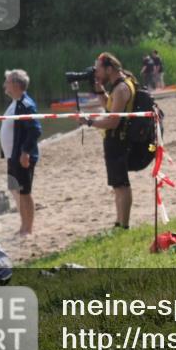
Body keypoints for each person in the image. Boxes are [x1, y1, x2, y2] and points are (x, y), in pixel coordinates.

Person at [74, 52, 136, 230]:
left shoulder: (122, 88)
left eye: (98, 69)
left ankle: (124, 225)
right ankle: (119, 223)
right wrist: (99, 88)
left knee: (122, 184)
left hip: (118, 140)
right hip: (115, 140)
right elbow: (110, 106)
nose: (96, 72)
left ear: (109, 69)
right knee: (117, 185)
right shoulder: (119, 86)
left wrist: (89, 122)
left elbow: (113, 121)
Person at [0, 69, 41, 237]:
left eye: (7, 81)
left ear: (16, 84)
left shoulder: (26, 104)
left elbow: (35, 130)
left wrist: (25, 152)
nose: (5, 85)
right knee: (16, 190)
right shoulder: (15, 102)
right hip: (12, 155)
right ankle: (23, 225)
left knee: (25, 192)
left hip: (21, 156)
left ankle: (28, 228)